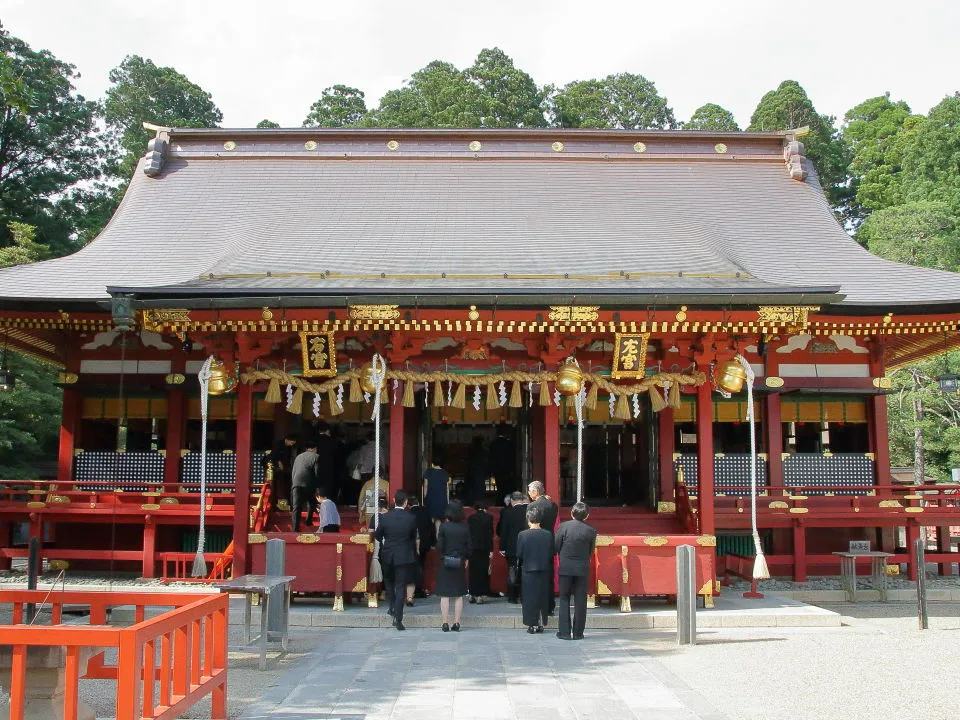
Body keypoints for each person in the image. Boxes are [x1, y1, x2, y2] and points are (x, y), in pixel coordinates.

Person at [375, 490, 418, 631]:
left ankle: (392, 606)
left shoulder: (385, 517)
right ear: (406, 503)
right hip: (404, 555)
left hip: (388, 554)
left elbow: (377, 535)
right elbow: (413, 537)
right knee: (400, 586)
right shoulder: (411, 518)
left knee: (388, 581)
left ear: (393, 500)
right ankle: (398, 618)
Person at [554, 502, 597, 640]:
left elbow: (556, 546)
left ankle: (564, 632)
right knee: (580, 600)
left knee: (564, 598)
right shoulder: (591, 530)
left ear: (572, 513)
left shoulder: (563, 527)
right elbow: (590, 551)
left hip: (566, 567)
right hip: (582, 568)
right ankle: (578, 632)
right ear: (587, 515)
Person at [516, 506, 553, 634]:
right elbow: (551, 552)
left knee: (529, 598)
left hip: (528, 570)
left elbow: (519, 553)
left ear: (528, 520)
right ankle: (541, 624)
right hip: (543, 568)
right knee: (542, 596)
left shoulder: (523, 535)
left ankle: (531, 624)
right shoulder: (547, 534)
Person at [435, 501, 471, 632]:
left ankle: (445, 622)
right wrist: (465, 557)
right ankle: (456, 622)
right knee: (458, 594)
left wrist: (444, 555)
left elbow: (439, 545)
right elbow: (469, 546)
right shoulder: (465, 528)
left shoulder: (444, 527)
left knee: (444, 595)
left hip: (446, 561)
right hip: (459, 561)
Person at [527, 480, 559, 613]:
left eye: (529, 491)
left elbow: (529, 525)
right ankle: (550, 605)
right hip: (549, 541)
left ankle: (538, 604)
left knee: (535, 576)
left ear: (535, 492)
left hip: (535, 542)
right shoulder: (553, 505)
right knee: (549, 576)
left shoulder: (532, 506)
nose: (528, 493)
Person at [497, 490, 528, 604]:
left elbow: (504, 531)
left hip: (511, 546)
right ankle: (524, 596)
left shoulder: (507, 513)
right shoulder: (529, 511)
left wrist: (502, 547)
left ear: (512, 500)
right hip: (526, 546)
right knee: (525, 571)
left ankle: (512, 597)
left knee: (512, 571)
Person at [467, 500, 494, 604]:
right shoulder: (489, 518)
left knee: (473, 572)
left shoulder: (470, 518)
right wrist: (491, 550)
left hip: (473, 549)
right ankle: (480, 596)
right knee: (483, 572)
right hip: (484, 548)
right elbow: (489, 535)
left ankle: (472, 594)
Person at [290, 438, 319, 532]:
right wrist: (318, 486)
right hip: (309, 483)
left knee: (296, 507)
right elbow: (317, 472)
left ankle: (295, 528)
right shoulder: (316, 456)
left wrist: (293, 483)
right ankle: (308, 521)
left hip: (296, 483)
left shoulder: (298, 456)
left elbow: (294, 471)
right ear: (315, 448)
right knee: (312, 502)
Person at [265, 433, 297, 504]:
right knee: (273, 486)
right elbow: (275, 455)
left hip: (283, 469)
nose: (292, 445)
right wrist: (279, 463)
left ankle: (284, 501)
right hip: (274, 467)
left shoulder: (288, 447)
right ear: (287, 440)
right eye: (291, 443)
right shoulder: (278, 444)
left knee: (284, 484)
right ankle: (273, 503)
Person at [423, 455, 450, 529]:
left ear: (432, 462)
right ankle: (437, 538)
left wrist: (425, 498)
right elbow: (447, 488)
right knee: (438, 521)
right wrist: (447, 501)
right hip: (442, 499)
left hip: (431, 498)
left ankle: (431, 539)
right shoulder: (445, 473)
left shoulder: (428, 471)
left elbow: (425, 485)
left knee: (431, 519)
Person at [464, 436, 489, 506]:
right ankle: (479, 503)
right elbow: (486, 463)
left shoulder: (471, 451)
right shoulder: (484, 452)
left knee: (471, 488)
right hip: (480, 472)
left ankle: (470, 502)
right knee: (480, 488)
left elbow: (468, 462)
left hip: (471, 472)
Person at [489, 428, 515, 493]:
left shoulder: (493, 444)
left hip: (496, 468)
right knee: (506, 485)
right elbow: (511, 456)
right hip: (506, 468)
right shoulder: (509, 443)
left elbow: (491, 457)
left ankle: (499, 496)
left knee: (499, 485)